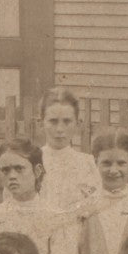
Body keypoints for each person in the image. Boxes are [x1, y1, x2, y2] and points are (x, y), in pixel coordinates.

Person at [38, 87, 103, 222]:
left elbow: (96, 205)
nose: (60, 129)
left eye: (67, 121)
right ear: (41, 123)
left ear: (77, 124)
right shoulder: (30, 161)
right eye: (53, 121)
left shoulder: (86, 163)